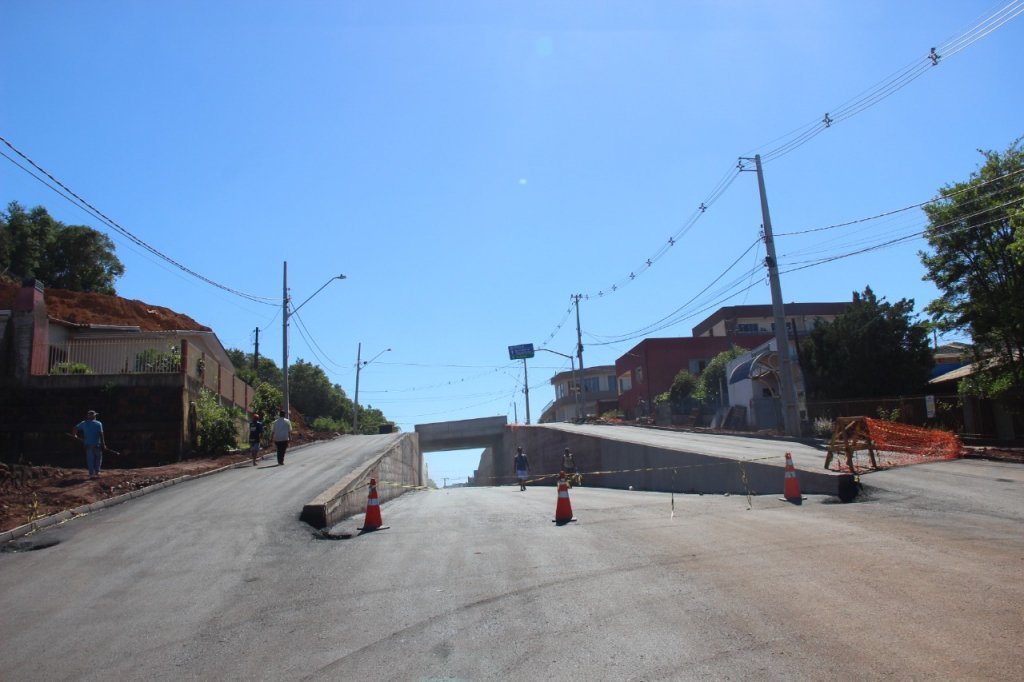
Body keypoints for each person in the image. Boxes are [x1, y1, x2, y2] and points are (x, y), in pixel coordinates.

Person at [72, 409, 106, 479]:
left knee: (90, 459)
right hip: (97, 444)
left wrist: (75, 435)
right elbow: (101, 434)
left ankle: (91, 473)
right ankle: (97, 471)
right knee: (98, 457)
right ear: (94, 416)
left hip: (87, 444)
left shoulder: (83, 423)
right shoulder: (98, 423)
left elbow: (75, 428)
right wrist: (103, 444)